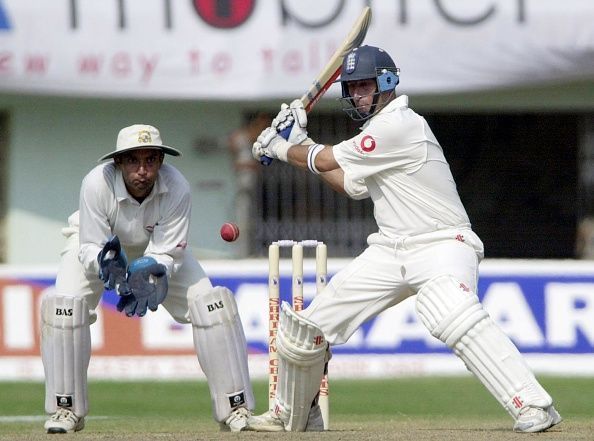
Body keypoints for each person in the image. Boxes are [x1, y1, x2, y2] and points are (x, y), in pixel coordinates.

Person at [248, 45, 562, 433]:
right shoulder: (374, 137)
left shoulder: (400, 125)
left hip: (442, 243)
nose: (357, 95)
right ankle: (292, 416)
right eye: (352, 88)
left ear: (388, 82)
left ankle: (533, 405)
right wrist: (299, 141)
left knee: (447, 309)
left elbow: (326, 160)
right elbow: (347, 183)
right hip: (390, 249)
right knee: (304, 331)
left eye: (364, 86)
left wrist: (283, 146)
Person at [41, 124, 254, 433]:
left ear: (160, 162)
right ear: (118, 163)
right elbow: (88, 245)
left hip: (155, 247)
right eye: (133, 161)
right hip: (101, 245)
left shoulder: (177, 186)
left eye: (150, 160)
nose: (142, 170)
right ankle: (65, 409)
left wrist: (152, 272)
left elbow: (169, 253)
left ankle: (236, 408)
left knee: (214, 306)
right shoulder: (95, 184)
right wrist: (107, 267)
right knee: (64, 310)